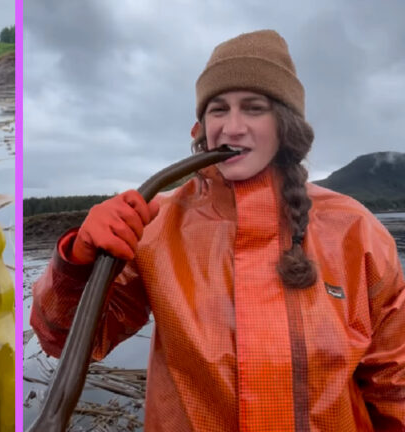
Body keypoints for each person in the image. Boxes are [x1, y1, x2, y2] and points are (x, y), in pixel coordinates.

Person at [31, 29, 405, 430]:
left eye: (254, 107)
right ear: (201, 126)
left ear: (286, 125)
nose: (233, 127)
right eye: (219, 109)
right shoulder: (159, 224)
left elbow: (393, 385)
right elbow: (66, 342)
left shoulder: (355, 230)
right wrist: (76, 265)